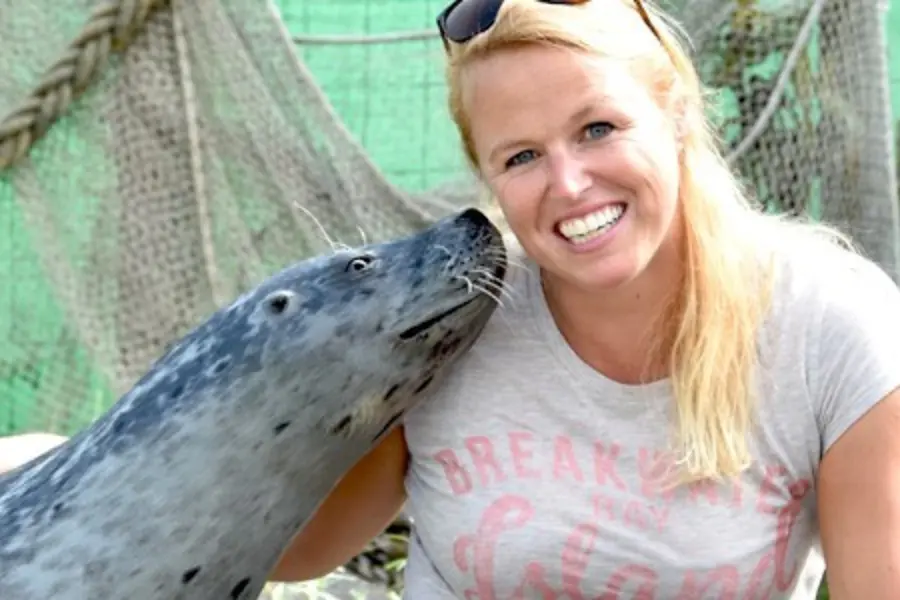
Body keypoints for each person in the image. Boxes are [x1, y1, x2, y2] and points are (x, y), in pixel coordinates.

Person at [3, 0, 900, 597]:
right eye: (522, 156)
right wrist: (56, 467)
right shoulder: (457, 318)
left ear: (675, 117)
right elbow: (300, 548)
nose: (570, 183)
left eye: (598, 128)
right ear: (487, 175)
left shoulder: (828, 325)